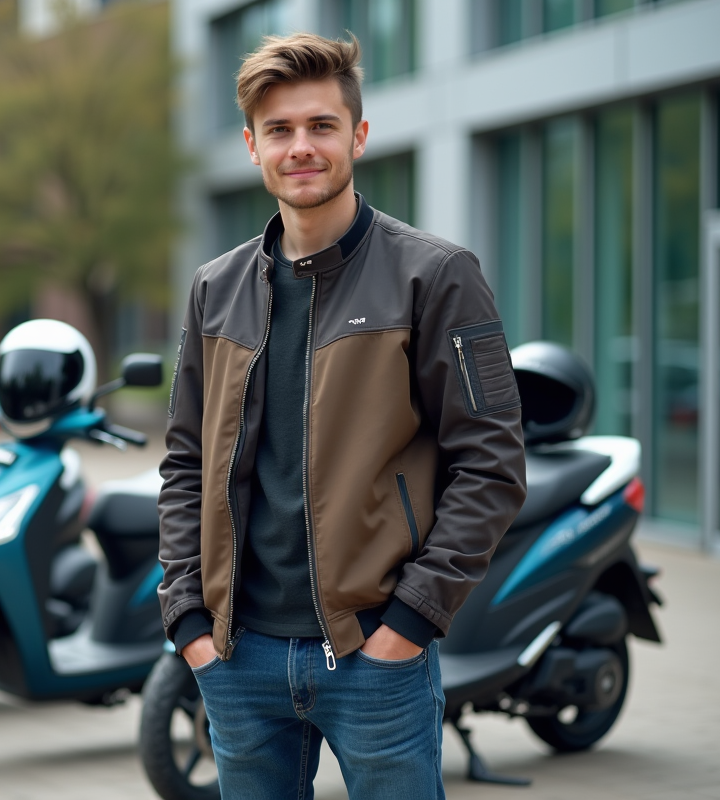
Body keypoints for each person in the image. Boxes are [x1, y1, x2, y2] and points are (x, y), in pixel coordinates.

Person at [157, 32, 527, 800]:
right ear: (252, 146)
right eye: (281, 130)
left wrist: (411, 624)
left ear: (358, 136)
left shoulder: (436, 275)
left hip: (372, 655)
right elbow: (186, 460)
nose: (302, 147)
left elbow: (491, 464)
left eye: (322, 126)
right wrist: (188, 619)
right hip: (238, 658)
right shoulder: (213, 289)